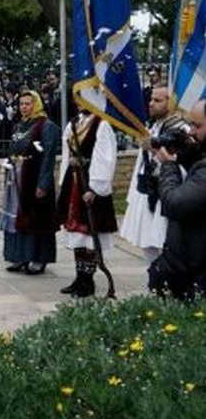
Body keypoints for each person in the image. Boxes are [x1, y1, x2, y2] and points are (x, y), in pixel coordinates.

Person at [120, 87, 187, 268]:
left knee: (163, 241)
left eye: (158, 101)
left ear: (170, 103)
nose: (151, 104)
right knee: (147, 242)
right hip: (147, 187)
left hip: (165, 189)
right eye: (151, 99)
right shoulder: (153, 125)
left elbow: (180, 163)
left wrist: (155, 148)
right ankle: (154, 279)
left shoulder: (181, 129)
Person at [56, 110, 118, 297]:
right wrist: (64, 181)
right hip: (74, 181)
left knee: (89, 234)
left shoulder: (102, 124)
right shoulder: (74, 122)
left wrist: (95, 188)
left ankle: (88, 281)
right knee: (77, 236)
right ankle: (80, 277)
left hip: (89, 183)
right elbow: (67, 154)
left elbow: (105, 158)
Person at [149, 99, 206, 300]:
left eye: (197, 126)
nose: (190, 132)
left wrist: (168, 166)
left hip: (194, 274)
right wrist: (185, 154)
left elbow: (174, 204)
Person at [0, 90, 59, 275]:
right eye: (21, 104)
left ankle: (38, 258)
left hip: (33, 178)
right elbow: (14, 148)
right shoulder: (19, 127)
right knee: (17, 216)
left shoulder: (46, 126)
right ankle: (19, 256)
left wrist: (43, 183)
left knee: (36, 218)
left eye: (28, 104)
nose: (24, 107)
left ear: (36, 104)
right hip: (17, 179)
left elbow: (47, 156)